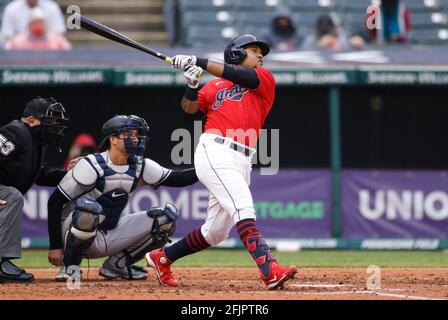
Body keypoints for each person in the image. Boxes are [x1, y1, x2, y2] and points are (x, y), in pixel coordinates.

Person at [144, 35, 298, 290]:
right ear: (236, 53)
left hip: (242, 158)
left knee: (215, 232)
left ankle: (162, 257)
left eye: (261, 52)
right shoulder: (213, 87)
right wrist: (192, 84)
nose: (260, 55)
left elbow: (243, 77)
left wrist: (199, 61)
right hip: (215, 150)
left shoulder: (264, 80)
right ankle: (270, 270)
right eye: (253, 50)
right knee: (243, 207)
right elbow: (188, 112)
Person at [47, 115, 199, 282]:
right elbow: (55, 202)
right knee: (89, 210)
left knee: (166, 218)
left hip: (108, 234)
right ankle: (70, 266)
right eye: (129, 134)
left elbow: (179, 179)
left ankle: (116, 266)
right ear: (112, 139)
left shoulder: (141, 166)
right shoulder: (91, 165)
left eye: (136, 134)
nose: (135, 138)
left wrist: (209, 166)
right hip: (73, 234)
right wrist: (55, 246)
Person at [0, 96, 73, 283]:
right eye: (51, 121)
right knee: (12, 196)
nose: (56, 126)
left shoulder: (34, 142)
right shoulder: (16, 132)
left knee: (11, 195)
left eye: (58, 122)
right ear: (31, 121)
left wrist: (74, 174)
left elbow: (39, 175)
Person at [5, 7, 71, 50]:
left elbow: (69, 53)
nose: (38, 25)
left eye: (40, 22)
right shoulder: (17, 42)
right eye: (34, 23)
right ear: (29, 25)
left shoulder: (57, 40)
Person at [1, 0, 66, 42]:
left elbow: (58, 35)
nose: (37, 26)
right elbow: (7, 37)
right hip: (18, 56)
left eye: (39, 23)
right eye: (34, 23)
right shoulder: (11, 9)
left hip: (48, 55)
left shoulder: (52, 7)